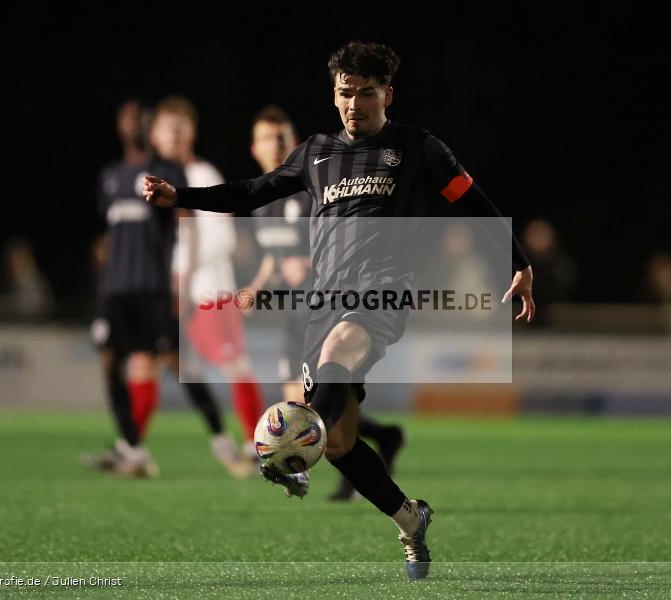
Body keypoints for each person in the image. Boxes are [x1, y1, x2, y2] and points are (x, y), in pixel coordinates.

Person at [142, 41, 534, 581]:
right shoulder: (316, 153)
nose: (354, 103)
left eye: (366, 93)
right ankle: (409, 518)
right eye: (345, 93)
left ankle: (288, 447)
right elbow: (252, 192)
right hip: (322, 303)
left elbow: (473, 201)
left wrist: (519, 261)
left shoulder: (417, 147)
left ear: (387, 94)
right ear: (333, 95)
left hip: (382, 292)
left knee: (337, 354)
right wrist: (180, 197)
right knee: (342, 443)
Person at [83, 98, 249, 479]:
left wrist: (183, 282)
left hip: (154, 288)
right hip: (116, 290)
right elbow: (110, 234)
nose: (132, 123)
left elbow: (188, 224)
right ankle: (132, 448)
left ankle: (221, 438)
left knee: (179, 364)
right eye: (126, 117)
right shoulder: (110, 176)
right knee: (114, 361)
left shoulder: (167, 171)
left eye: (139, 117)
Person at [247, 104, 404, 501]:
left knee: (309, 396)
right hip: (295, 307)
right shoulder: (264, 202)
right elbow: (276, 255)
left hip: (326, 302)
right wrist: (257, 285)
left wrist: (309, 262)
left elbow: (342, 240)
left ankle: (300, 467)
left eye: (281, 137)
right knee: (307, 396)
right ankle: (380, 438)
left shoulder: (307, 189)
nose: (274, 145)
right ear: (254, 147)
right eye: (266, 138)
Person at [151, 95, 266, 466]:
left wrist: (182, 275)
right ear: (154, 135)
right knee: (166, 363)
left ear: (192, 134)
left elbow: (222, 238)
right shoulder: (151, 181)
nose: (173, 137)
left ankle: (256, 441)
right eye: (167, 129)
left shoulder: (202, 177)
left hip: (208, 290)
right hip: (168, 291)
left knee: (234, 363)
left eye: (180, 130)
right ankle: (137, 445)